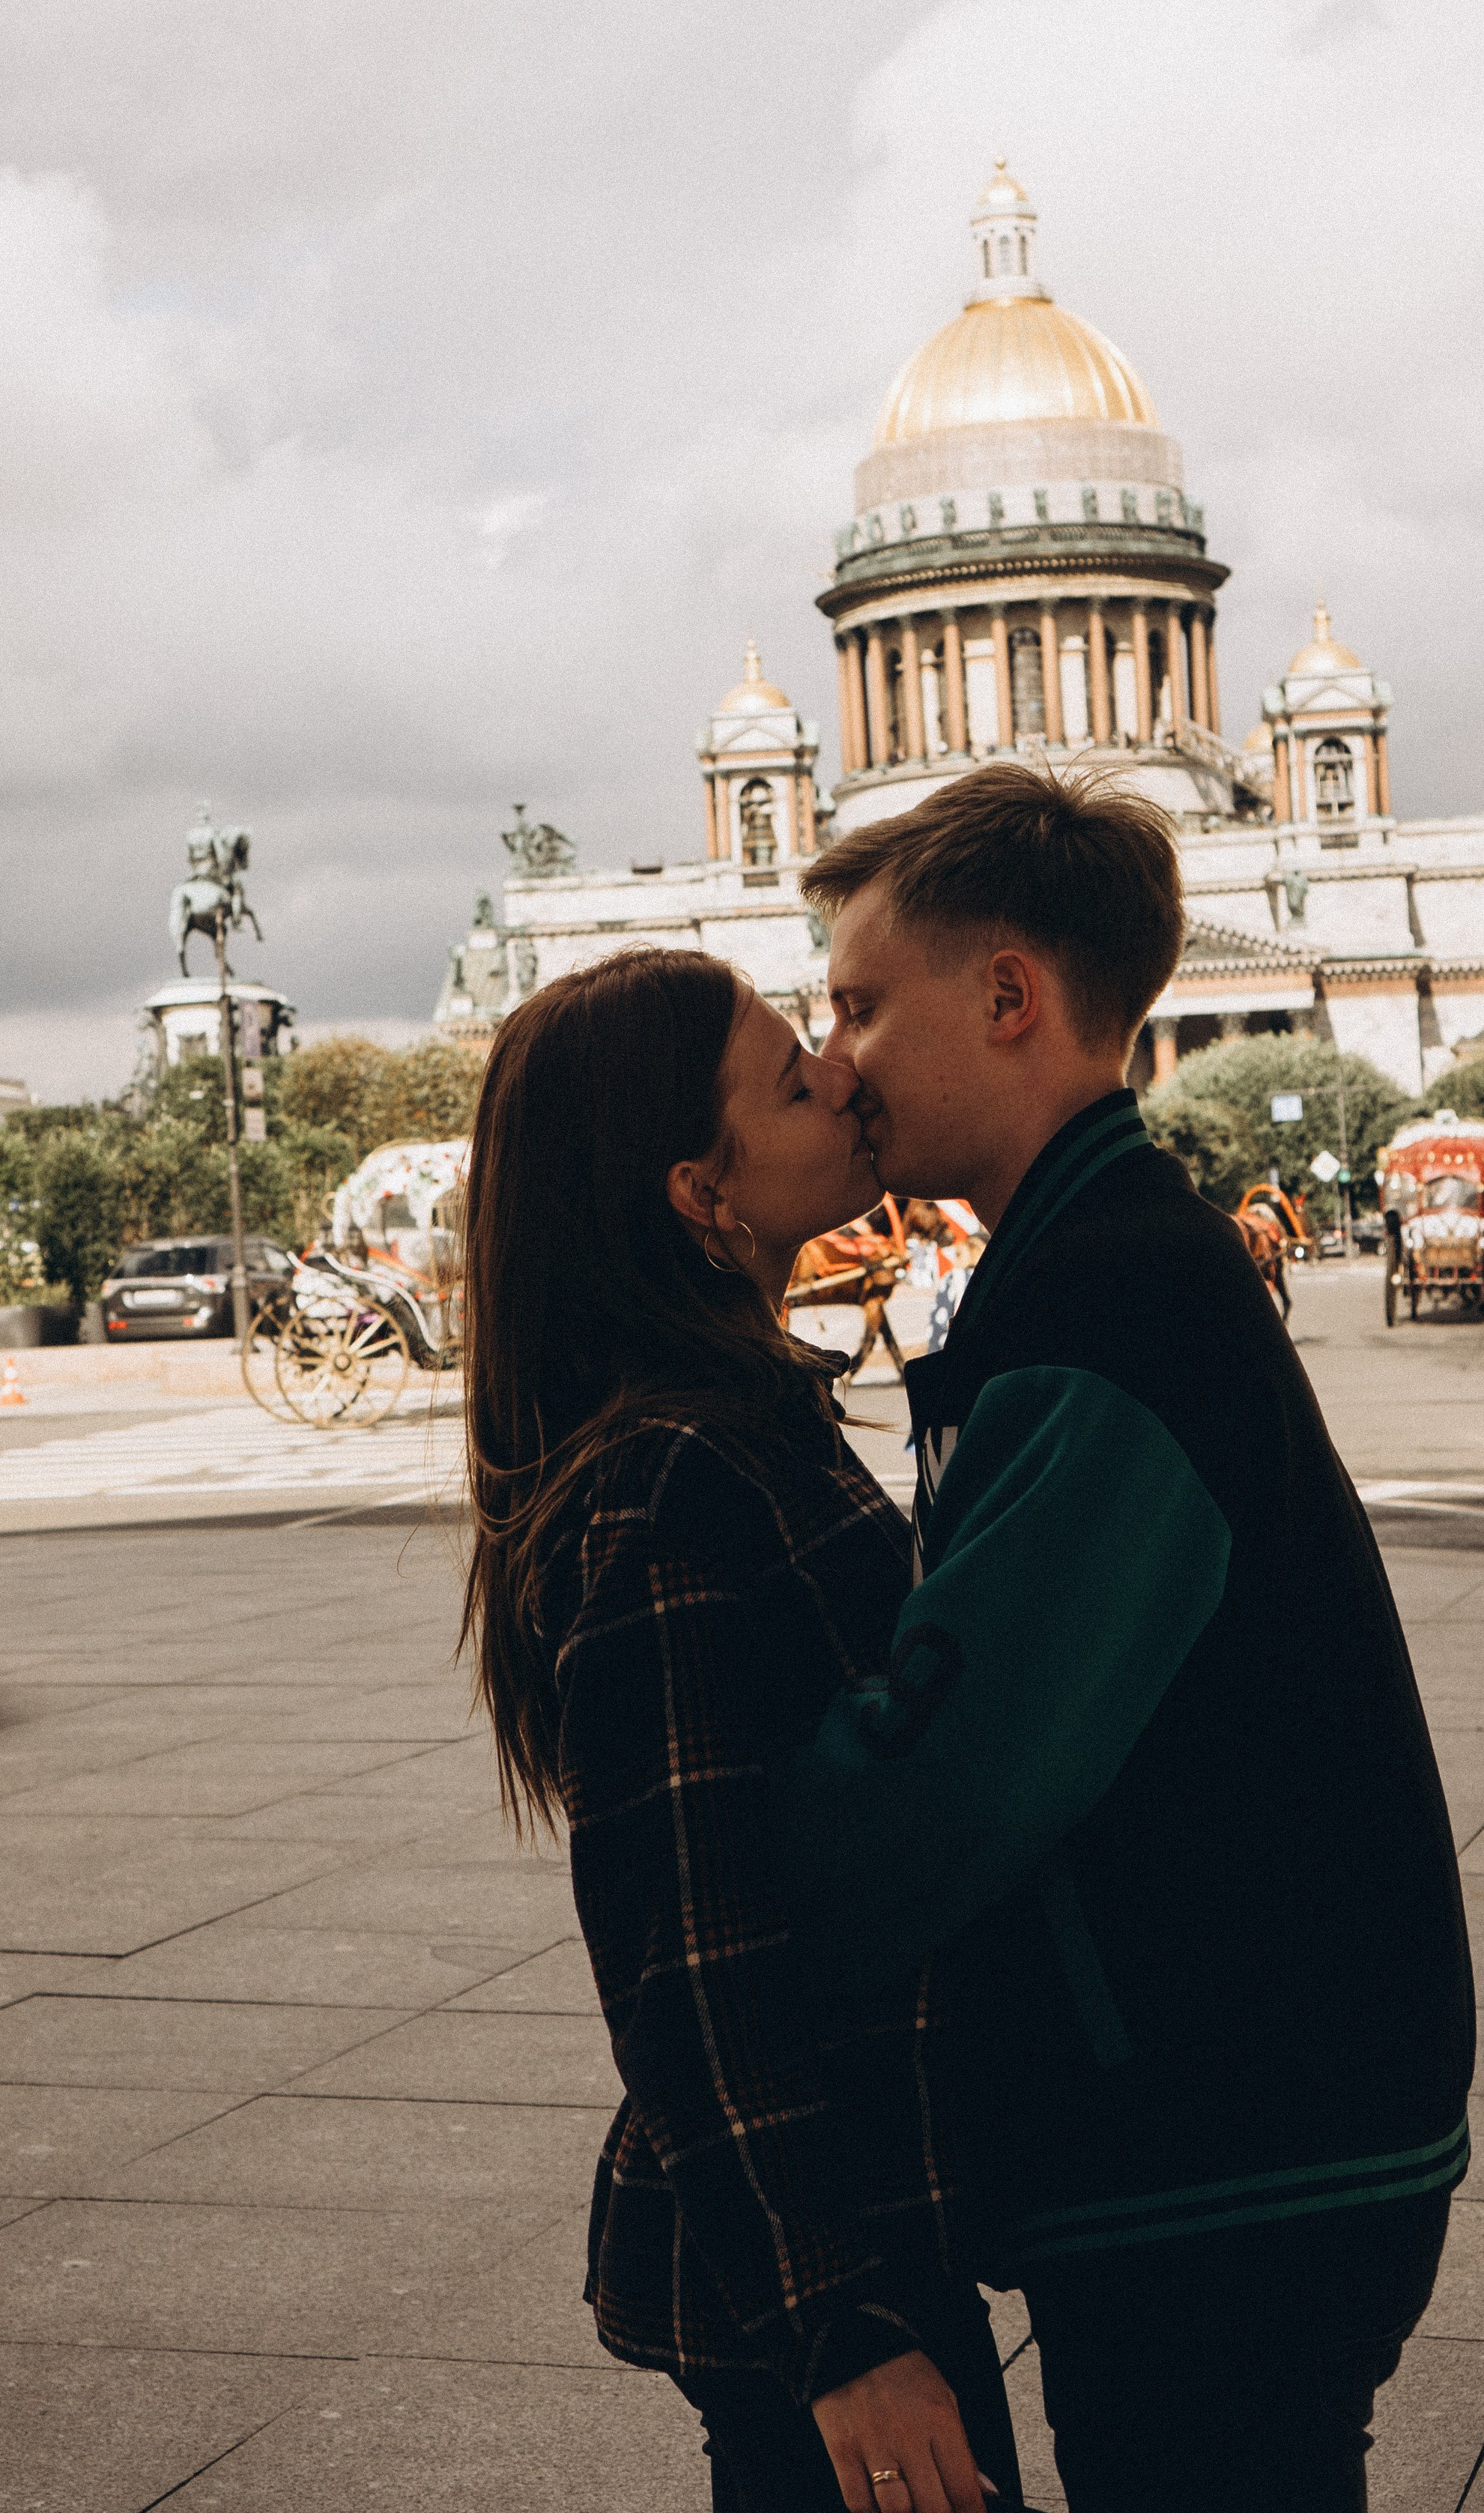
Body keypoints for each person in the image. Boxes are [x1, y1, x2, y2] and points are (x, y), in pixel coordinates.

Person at [790, 763, 1474, 2513]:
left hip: (1221, 2140)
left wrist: (730, 1845)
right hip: (1259, 2107)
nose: (834, 1054)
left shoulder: (1100, 1300)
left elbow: (944, 1791)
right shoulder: (1107, 1255)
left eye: (860, 1002)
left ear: (1007, 994)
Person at [460, 946, 1023, 2513]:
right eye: (791, 1078)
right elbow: (681, 1946)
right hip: (824, 2259)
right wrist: (836, 2326)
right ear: (701, 1195)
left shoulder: (726, 1425)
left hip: (852, 2219)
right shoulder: (671, 1482)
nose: (840, 1074)